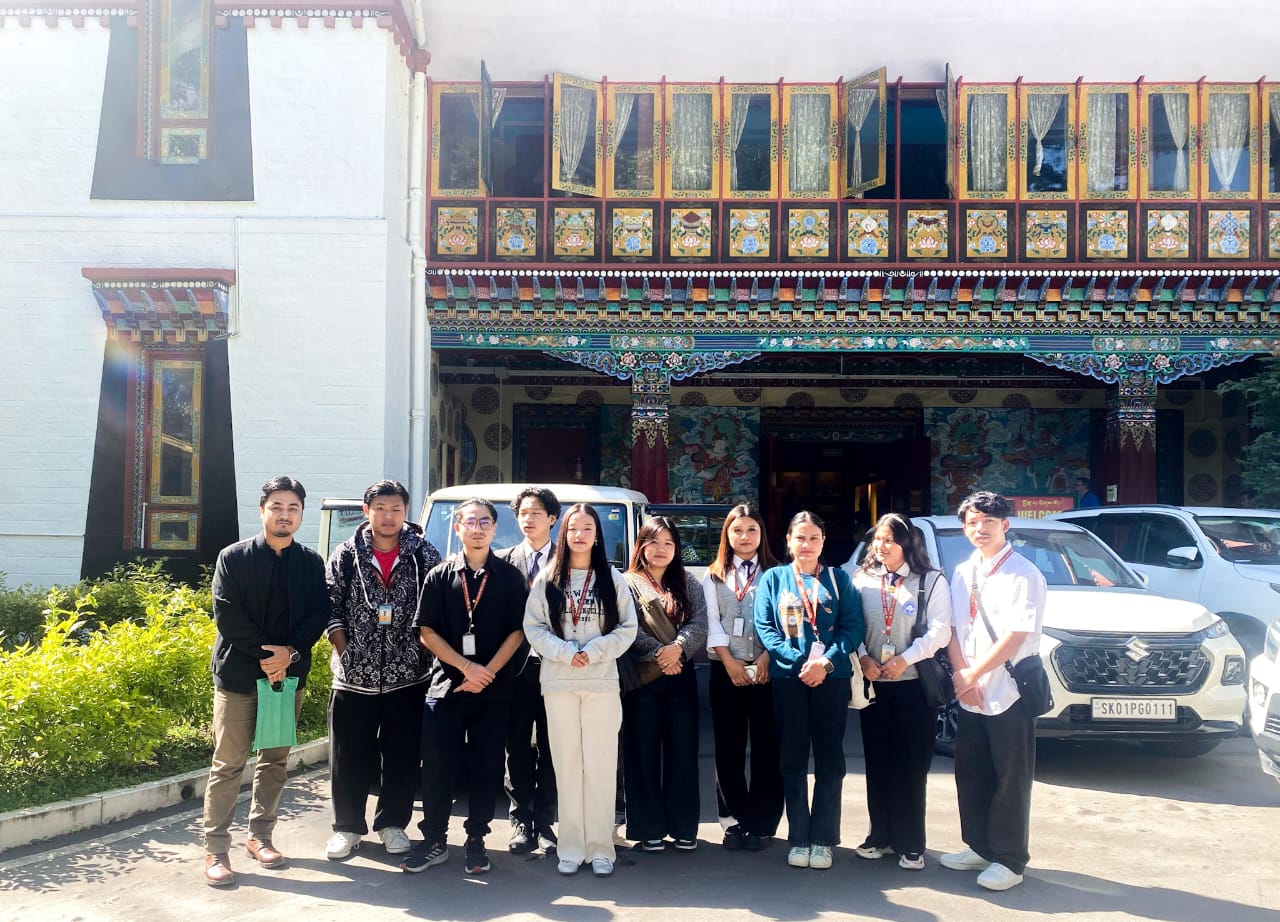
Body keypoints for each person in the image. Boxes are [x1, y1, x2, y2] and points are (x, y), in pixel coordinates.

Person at [201, 477, 330, 887]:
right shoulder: (233, 558)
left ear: (301, 514)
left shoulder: (310, 562)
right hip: (239, 676)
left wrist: (288, 655)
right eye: (277, 506)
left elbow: (317, 615)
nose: (284, 514)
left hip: (286, 679)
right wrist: (267, 656)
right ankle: (216, 848)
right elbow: (228, 616)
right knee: (228, 764)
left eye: (293, 507)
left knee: (274, 761)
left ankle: (260, 837)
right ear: (262, 510)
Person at [403, 499, 528, 876]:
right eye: (469, 521)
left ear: (494, 528)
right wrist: (465, 667)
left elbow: (518, 631)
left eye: (484, 522)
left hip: (493, 689)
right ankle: (435, 839)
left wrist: (486, 672)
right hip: (446, 687)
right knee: (438, 766)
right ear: (457, 527)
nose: (477, 528)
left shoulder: (509, 577)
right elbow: (426, 631)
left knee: (486, 767)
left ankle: (477, 839)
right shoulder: (439, 576)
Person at [322, 480, 441, 861]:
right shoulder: (345, 555)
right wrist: (347, 652)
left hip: (409, 678)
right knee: (348, 754)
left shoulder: (424, 554)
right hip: (353, 679)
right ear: (366, 510)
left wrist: (422, 655)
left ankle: (393, 824)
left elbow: (436, 609)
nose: (388, 517)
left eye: (396, 510)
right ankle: (347, 828)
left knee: (402, 755)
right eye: (381, 509)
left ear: (406, 512)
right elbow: (330, 608)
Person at [523, 503, 638, 877]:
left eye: (587, 528)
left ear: (597, 535)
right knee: (567, 766)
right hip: (559, 683)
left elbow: (627, 628)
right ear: (564, 533)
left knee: (601, 767)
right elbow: (534, 627)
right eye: (574, 528)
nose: (580, 535)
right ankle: (571, 847)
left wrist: (595, 651)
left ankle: (602, 847)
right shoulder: (548, 577)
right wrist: (564, 653)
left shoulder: (612, 578)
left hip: (601, 682)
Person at [941, 490, 1047, 892]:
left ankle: (1010, 858)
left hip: (1009, 690)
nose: (979, 529)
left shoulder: (1023, 573)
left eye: (988, 521)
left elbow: (1016, 635)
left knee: (1010, 777)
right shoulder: (965, 570)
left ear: (1005, 525)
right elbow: (953, 628)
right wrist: (961, 675)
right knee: (971, 772)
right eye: (972, 522)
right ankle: (979, 846)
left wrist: (973, 676)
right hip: (970, 689)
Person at [755, 511, 862, 871]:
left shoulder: (838, 579)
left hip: (830, 679)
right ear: (788, 540)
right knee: (792, 759)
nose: (806, 544)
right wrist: (797, 660)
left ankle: (824, 838)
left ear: (822, 542)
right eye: (800, 538)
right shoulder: (774, 579)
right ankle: (799, 836)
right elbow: (766, 628)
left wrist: (824, 664)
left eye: (813, 537)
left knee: (830, 759)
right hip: (789, 680)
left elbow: (852, 629)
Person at [850, 513, 953, 871]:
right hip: (874, 685)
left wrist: (904, 659)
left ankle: (911, 843)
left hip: (913, 686)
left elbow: (941, 631)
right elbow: (852, 626)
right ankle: (879, 836)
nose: (882, 546)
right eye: (878, 539)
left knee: (911, 766)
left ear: (909, 544)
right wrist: (863, 658)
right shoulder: (862, 579)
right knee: (877, 763)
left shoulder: (930, 581)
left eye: (890, 540)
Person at [621, 516, 708, 853]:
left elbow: (700, 621)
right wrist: (659, 652)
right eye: (653, 542)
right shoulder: (626, 583)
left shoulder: (688, 582)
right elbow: (626, 627)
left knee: (683, 752)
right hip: (643, 678)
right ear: (641, 545)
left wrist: (678, 649)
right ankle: (648, 829)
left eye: (668, 543)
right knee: (642, 752)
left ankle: (684, 827)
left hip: (681, 675)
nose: (661, 550)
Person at [700, 503, 783, 852]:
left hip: (769, 669)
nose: (744, 537)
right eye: (737, 530)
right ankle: (732, 821)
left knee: (768, 748)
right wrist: (729, 662)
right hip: (726, 670)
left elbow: (785, 621)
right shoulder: (714, 574)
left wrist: (767, 658)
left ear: (761, 535)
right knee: (729, 749)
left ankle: (763, 823)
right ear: (727, 535)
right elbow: (712, 620)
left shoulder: (777, 573)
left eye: (751, 530)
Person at [495, 487, 561, 855]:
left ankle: (546, 820)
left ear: (552, 518)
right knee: (516, 746)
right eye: (523, 512)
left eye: (537, 512)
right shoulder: (503, 562)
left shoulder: (570, 560)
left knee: (554, 747)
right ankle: (520, 820)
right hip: (516, 669)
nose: (529, 518)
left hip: (557, 667)